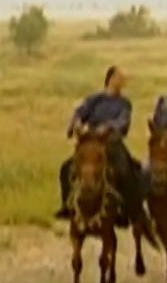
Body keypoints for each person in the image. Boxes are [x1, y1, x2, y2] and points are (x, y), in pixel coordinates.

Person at [56, 66, 149, 230]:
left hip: (111, 144)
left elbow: (123, 121)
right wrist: (77, 125)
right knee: (66, 169)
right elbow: (79, 113)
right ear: (111, 78)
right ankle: (67, 206)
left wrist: (107, 127)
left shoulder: (124, 103)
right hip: (89, 144)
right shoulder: (95, 99)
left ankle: (126, 210)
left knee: (126, 171)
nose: (123, 81)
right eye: (120, 77)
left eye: (124, 79)